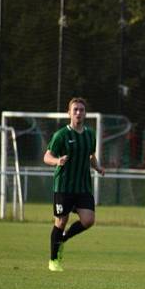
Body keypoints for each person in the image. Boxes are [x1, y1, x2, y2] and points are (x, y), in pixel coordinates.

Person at [43, 97, 105, 272]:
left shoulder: (89, 134)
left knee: (88, 220)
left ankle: (63, 238)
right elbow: (46, 156)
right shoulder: (61, 135)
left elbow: (91, 156)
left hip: (83, 186)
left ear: (85, 113)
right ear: (69, 113)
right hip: (63, 185)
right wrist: (57, 161)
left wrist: (98, 167)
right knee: (61, 221)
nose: (78, 113)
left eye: (81, 110)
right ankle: (54, 261)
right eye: (75, 109)